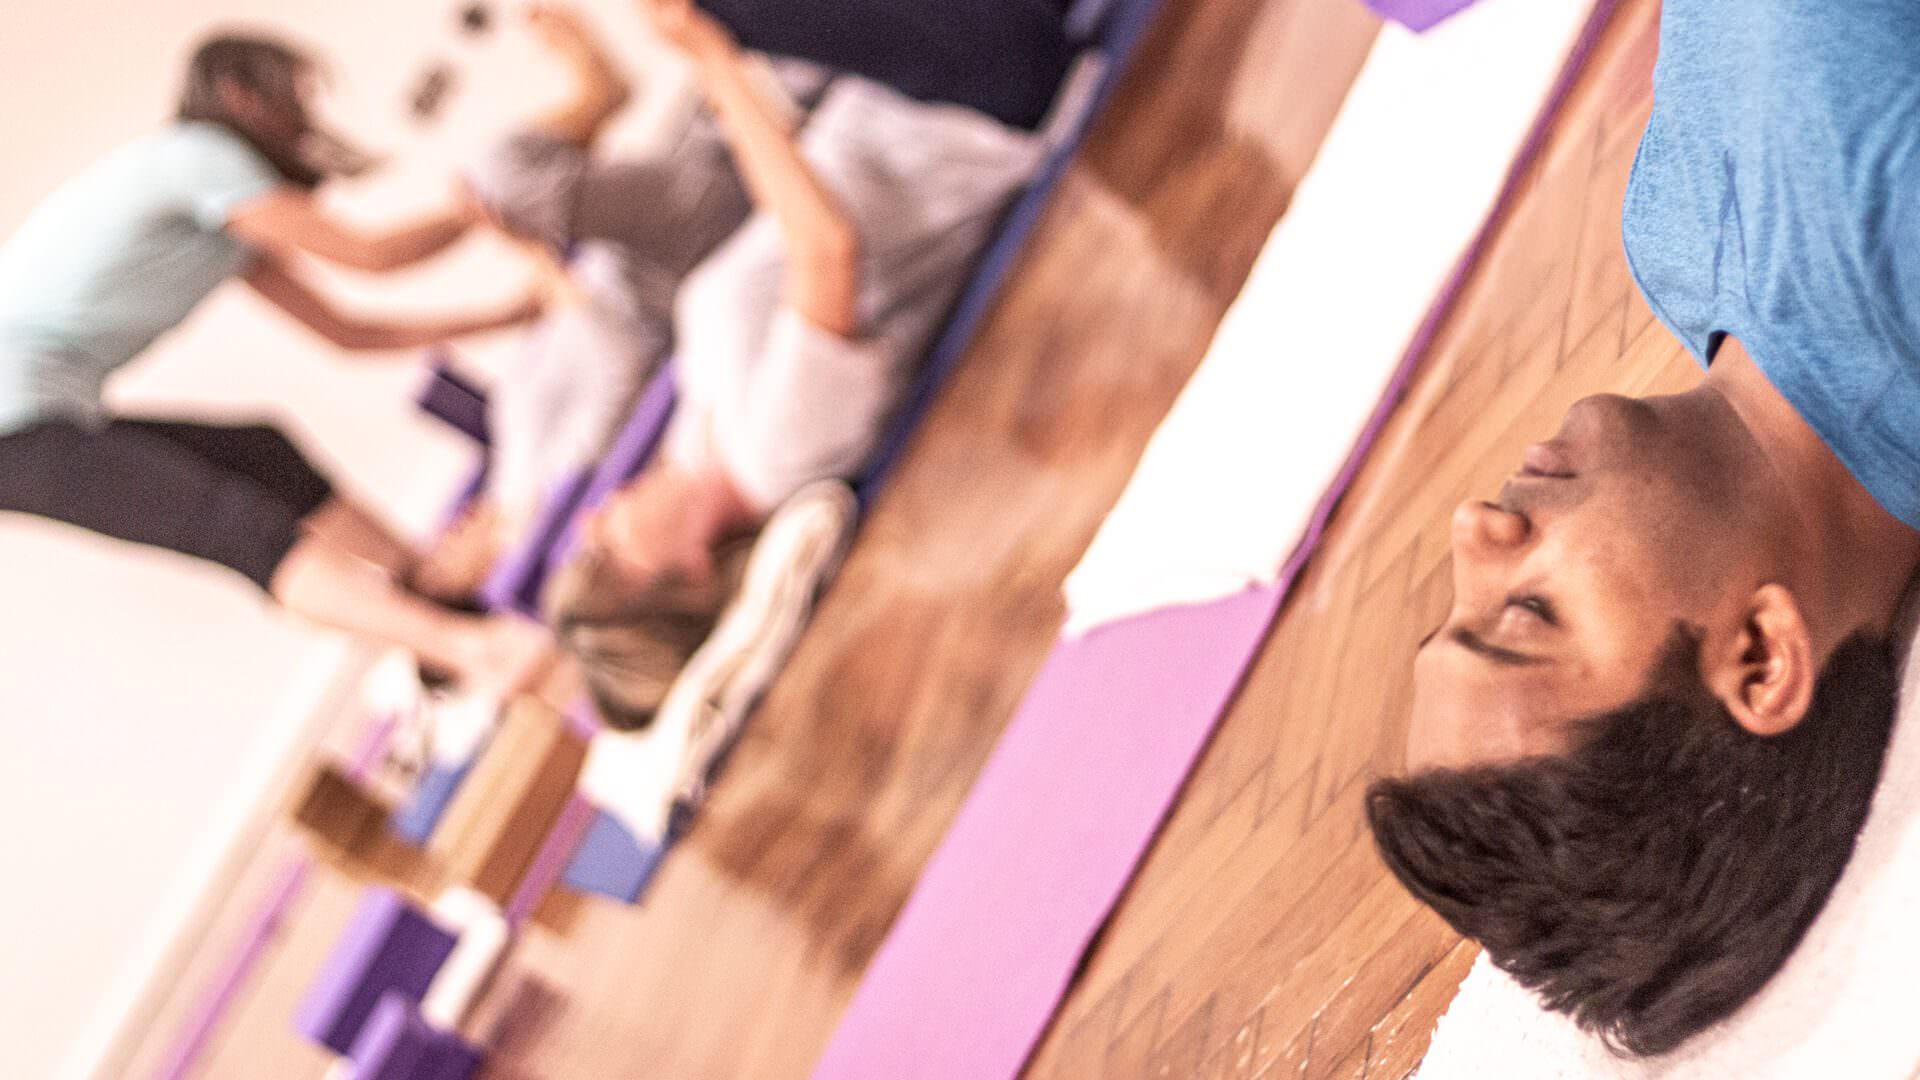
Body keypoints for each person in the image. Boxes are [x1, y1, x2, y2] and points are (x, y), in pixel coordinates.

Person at [1366, 0, 1920, 1058]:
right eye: (1528, 611)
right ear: (1760, 655)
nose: (1473, 528)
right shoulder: (1895, 236)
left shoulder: (1675, 254)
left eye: (1456, 608)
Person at [542, 0, 1051, 728]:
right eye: (604, 558)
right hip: (969, 113)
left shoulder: (696, 448)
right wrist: (715, 63)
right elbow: (824, 248)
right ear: (686, 573)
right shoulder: (776, 454)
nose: (592, 523)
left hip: (884, 99)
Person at [0, 32, 551, 695]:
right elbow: (370, 255)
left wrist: (507, 315)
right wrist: (474, 207)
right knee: (236, 527)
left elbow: (346, 333)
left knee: (262, 452)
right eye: (295, 93)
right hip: (13, 427)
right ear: (240, 95)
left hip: (40, 415)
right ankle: (472, 649)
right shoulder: (204, 158)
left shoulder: (225, 220)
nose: (306, 114)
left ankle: (425, 582)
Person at [410, 5, 832, 602]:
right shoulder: (543, 500)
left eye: (431, 548)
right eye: (443, 564)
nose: (444, 537)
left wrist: (542, 278)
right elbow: (619, 364)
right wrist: (538, 260)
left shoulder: (508, 479)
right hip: (660, 277)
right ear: (479, 583)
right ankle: (605, 90)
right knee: (497, 179)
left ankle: (612, 93)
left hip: (618, 258)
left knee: (499, 184)